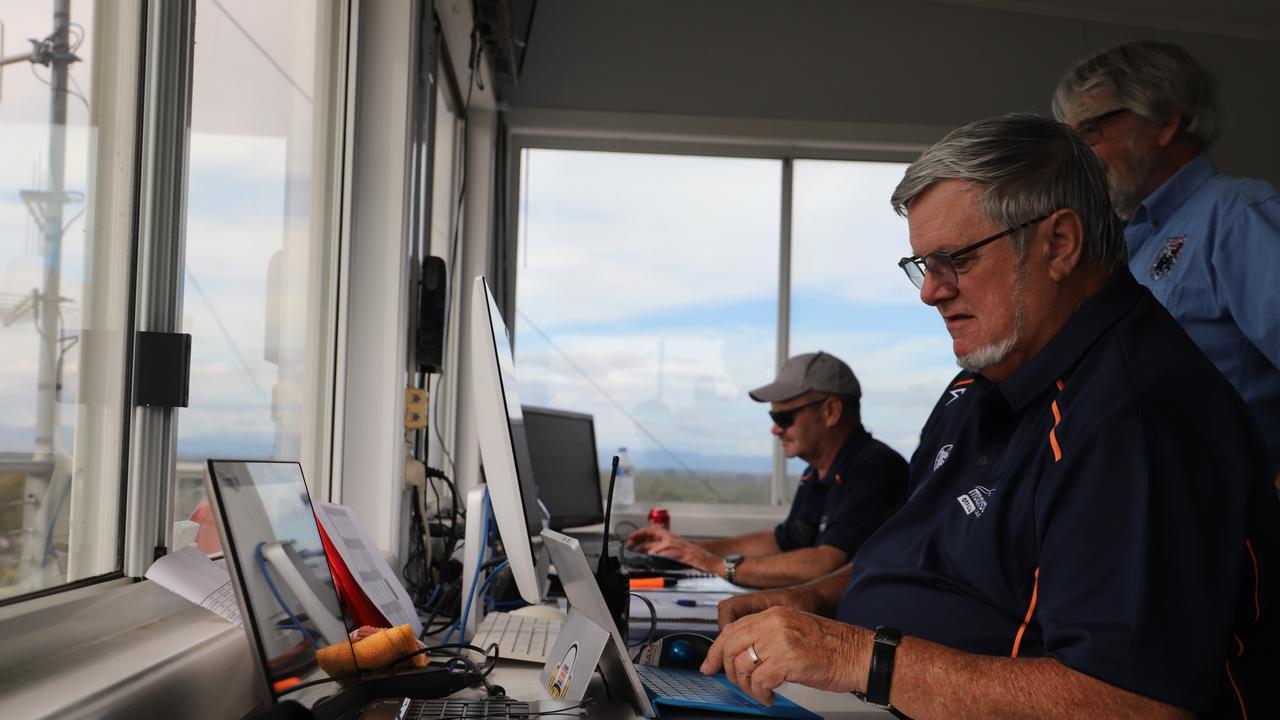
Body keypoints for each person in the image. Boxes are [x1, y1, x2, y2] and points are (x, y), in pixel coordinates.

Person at [699, 114, 1279, 719]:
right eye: (923, 265)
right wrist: (812, 601)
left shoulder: (1137, 421)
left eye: (956, 259)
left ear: (1059, 244)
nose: (930, 292)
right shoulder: (977, 386)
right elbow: (919, 554)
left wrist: (856, 657)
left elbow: (1134, 704)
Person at [1053, 40, 1280, 483]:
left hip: (1231, 529)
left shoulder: (1236, 216)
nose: (1077, 155)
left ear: (1165, 122)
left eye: (1091, 131)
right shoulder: (1117, 243)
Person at [625, 351, 908, 589]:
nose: (775, 429)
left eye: (783, 417)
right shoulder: (817, 472)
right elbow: (781, 542)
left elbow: (825, 563)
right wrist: (685, 549)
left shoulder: (875, 469)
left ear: (831, 411)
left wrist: (715, 565)